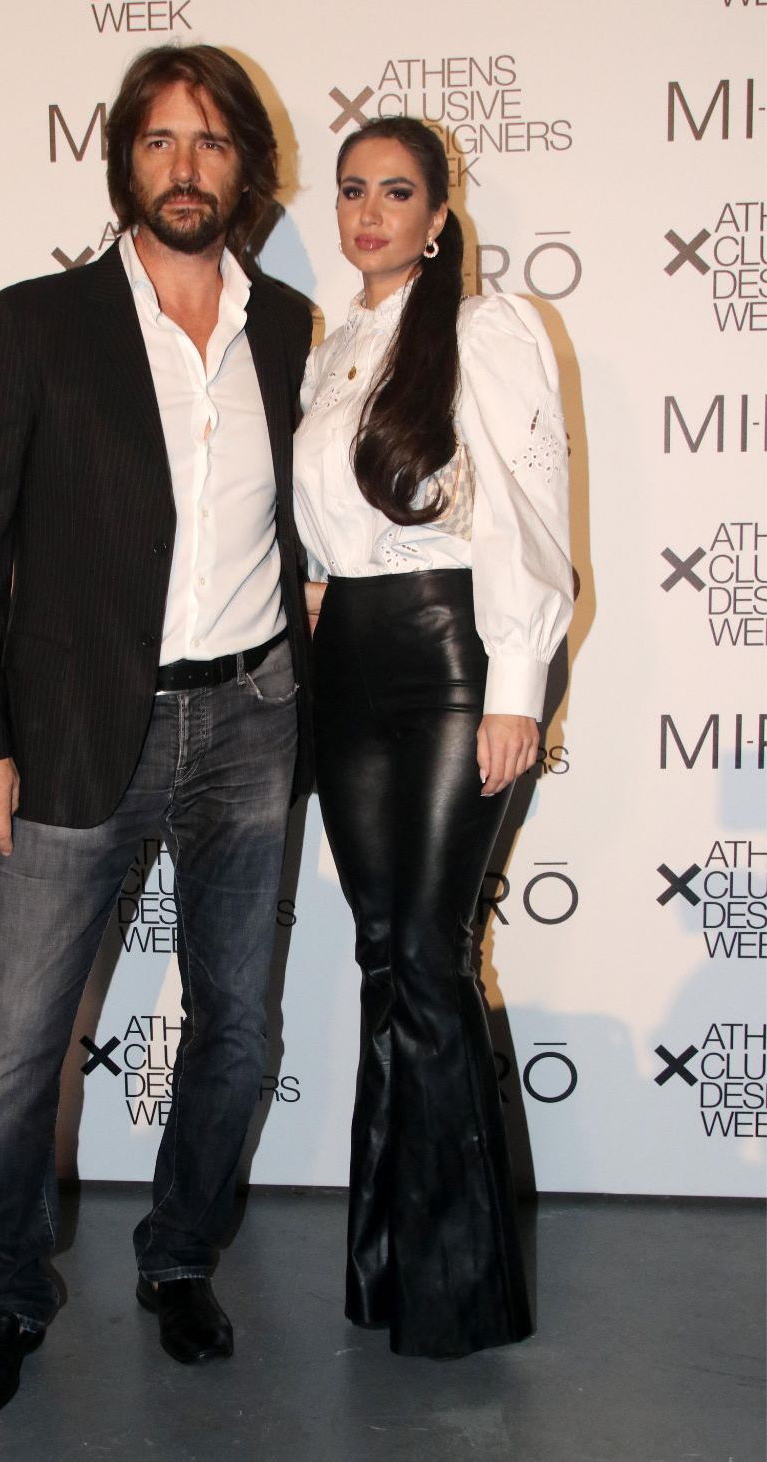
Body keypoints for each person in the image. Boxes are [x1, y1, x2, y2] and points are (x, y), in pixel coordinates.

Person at [0, 44, 312, 1414]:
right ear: (123, 165)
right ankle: (5, 1294)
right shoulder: (34, 325)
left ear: (244, 168)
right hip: (82, 724)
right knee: (18, 1043)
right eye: (159, 141)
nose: (184, 167)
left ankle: (180, 1256)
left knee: (239, 1029)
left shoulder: (291, 329)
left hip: (254, 718)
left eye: (210, 142)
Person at [293, 117, 573, 1358]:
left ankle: (458, 1289)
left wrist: (516, 684)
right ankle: (385, 1267)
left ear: (437, 216)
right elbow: (323, 516)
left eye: (396, 192)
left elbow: (526, 509)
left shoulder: (483, 328)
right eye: (352, 189)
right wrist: (318, 586)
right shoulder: (327, 348)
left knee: (425, 948)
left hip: (458, 655)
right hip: (348, 661)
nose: (368, 212)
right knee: (380, 955)